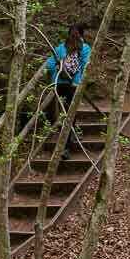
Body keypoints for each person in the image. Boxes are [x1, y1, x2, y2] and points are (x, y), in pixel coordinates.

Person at [45, 23, 91, 158]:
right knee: (71, 114)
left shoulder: (60, 48)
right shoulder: (85, 48)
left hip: (58, 83)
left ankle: (68, 135)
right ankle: (65, 147)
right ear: (82, 35)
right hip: (73, 85)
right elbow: (85, 66)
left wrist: (55, 78)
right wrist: (77, 82)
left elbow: (50, 65)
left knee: (62, 111)